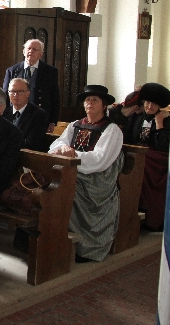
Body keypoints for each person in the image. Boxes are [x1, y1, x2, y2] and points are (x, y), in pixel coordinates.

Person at [49, 85, 124, 263]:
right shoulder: (75, 125)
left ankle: (87, 247)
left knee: (65, 187)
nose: (90, 103)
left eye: (95, 100)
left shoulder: (111, 129)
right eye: (87, 100)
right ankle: (53, 236)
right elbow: (55, 145)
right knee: (49, 183)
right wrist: (63, 148)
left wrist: (73, 155)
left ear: (104, 106)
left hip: (97, 178)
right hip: (74, 170)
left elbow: (100, 159)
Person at [110, 83, 170, 231]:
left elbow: (163, 147)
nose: (149, 106)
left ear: (160, 106)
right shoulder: (136, 117)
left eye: (154, 104)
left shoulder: (166, 120)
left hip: (157, 158)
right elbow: (127, 137)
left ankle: (149, 213)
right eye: (147, 102)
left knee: (142, 164)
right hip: (138, 153)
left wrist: (159, 125)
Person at [2, 38, 60, 133]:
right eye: (28, 48)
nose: (31, 51)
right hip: (15, 116)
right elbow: (5, 96)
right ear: (23, 51)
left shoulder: (50, 72)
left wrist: (52, 121)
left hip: (39, 118)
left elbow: (54, 97)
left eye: (35, 49)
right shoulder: (12, 70)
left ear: (41, 54)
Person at [4, 78, 49, 152]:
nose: (16, 95)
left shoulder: (39, 115)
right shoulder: (4, 113)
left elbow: (32, 144)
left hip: (26, 156)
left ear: (28, 94)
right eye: (12, 91)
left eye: (20, 91)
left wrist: (4, 142)